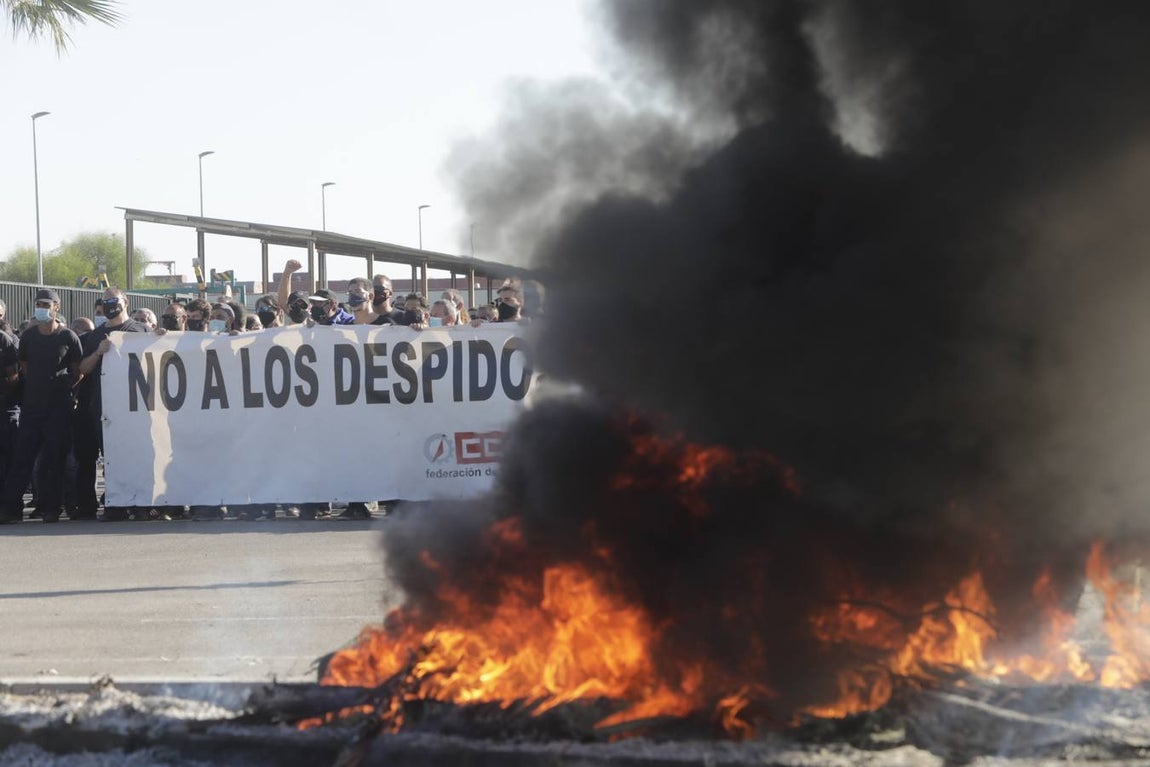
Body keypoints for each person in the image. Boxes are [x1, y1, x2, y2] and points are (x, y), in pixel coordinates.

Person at [0, 290, 81, 524]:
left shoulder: (68, 336)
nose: (41, 308)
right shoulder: (28, 337)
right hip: (32, 408)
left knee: (55, 460)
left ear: (57, 307)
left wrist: (63, 389)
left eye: (46, 304)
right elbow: (23, 367)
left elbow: (78, 371)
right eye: (38, 304)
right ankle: (11, 510)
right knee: (22, 459)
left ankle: (51, 508)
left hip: (58, 408)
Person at [74, 288, 149, 521]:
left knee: (132, 457)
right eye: (105, 302)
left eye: (113, 301)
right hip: (102, 407)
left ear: (125, 302)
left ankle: (138, 504)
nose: (109, 306)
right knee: (107, 459)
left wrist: (162, 336)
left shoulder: (141, 331)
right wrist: (98, 353)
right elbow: (83, 369)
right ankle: (112, 506)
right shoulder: (94, 336)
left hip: (134, 407)